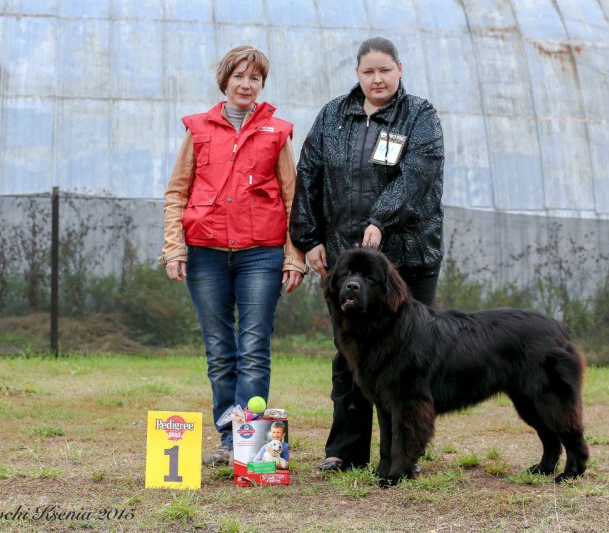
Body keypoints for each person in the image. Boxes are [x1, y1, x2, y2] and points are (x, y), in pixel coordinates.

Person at [290, 37, 444, 473]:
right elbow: (309, 175)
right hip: (347, 262)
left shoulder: (420, 116)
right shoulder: (334, 116)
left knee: (409, 362)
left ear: (400, 69)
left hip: (408, 258)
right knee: (351, 359)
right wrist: (308, 236)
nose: (377, 79)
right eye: (368, 72)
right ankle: (345, 451)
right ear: (358, 74)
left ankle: (403, 456)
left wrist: (381, 218)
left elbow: (418, 175)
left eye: (385, 70)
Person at [160, 46, 306, 466]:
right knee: (220, 350)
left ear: (262, 85)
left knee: (254, 346)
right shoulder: (198, 129)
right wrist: (175, 246)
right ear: (225, 81)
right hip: (205, 254)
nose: (246, 84)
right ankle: (229, 441)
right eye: (239, 77)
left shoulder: (277, 132)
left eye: (254, 79)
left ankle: (252, 444)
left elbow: (293, 198)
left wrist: (293, 256)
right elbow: (177, 191)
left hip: (261, 254)